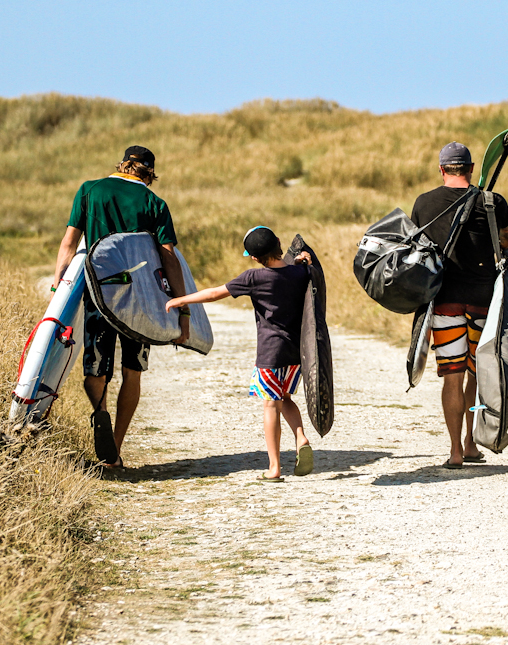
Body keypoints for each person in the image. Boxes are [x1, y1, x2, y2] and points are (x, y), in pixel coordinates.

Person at [52, 146, 190, 468]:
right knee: (133, 371)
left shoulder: (90, 190)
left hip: (99, 293)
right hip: (140, 301)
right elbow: (169, 258)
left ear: (123, 164)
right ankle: (114, 449)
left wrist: (58, 288)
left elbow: (69, 243)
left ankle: (100, 410)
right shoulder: (154, 203)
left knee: (95, 369)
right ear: (149, 174)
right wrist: (183, 308)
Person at [164, 226, 315, 482]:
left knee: (270, 405)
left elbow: (215, 293)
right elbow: (300, 271)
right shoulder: (299, 272)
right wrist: (302, 261)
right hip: (295, 353)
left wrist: (181, 300)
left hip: (270, 354)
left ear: (254, 258)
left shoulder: (254, 277)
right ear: (279, 243)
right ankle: (300, 437)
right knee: (285, 398)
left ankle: (274, 468)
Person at [410, 142, 508, 468]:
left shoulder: (424, 203)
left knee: (452, 376)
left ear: (442, 170)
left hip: (444, 302)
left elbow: (414, 250)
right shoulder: (492, 201)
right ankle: (471, 444)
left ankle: (455, 452)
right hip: (485, 301)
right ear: (470, 168)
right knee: (476, 375)